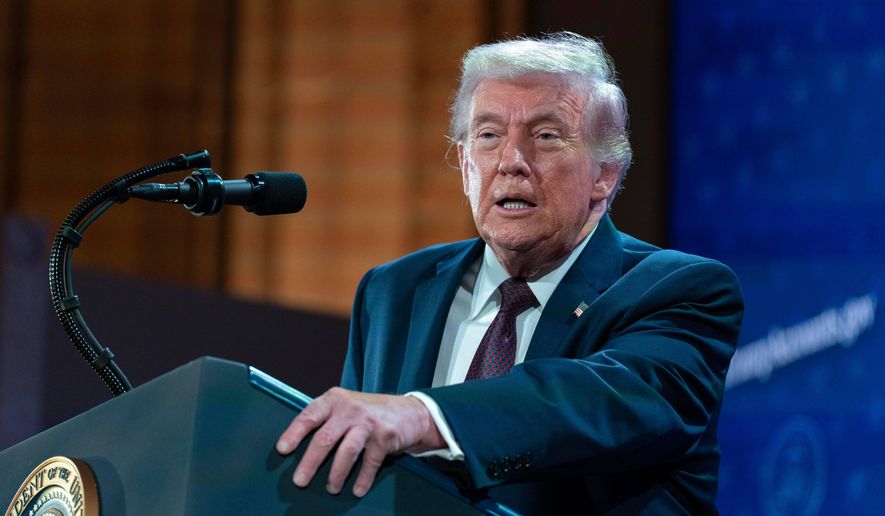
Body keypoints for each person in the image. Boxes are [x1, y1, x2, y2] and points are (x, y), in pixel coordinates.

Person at [276, 32, 743, 514]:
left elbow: (591, 403)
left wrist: (424, 415)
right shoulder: (393, 291)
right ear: (463, 162)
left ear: (604, 172)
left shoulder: (682, 291)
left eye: (545, 136)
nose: (511, 162)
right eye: (488, 136)